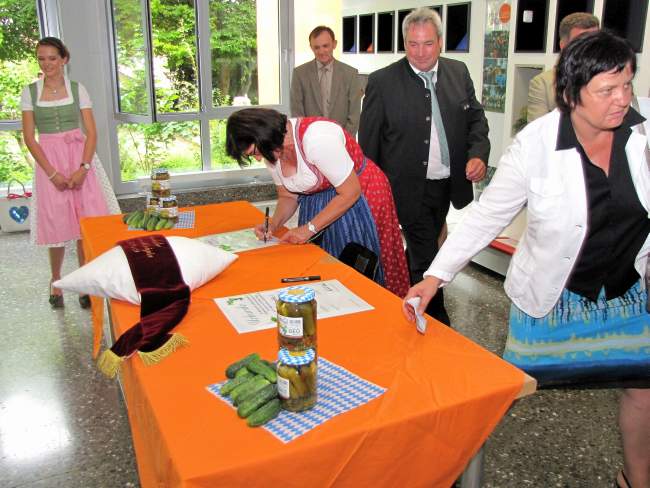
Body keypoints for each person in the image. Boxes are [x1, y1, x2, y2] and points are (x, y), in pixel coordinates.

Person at [403, 31, 650, 488]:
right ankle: (447, 468)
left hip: (625, 293)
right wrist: (434, 276)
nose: (622, 99)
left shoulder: (643, 129)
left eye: (627, 85)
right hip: (551, 298)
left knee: (643, 389)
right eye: (607, 90)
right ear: (571, 94)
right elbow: (486, 217)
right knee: (509, 391)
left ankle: (635, 479)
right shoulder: (536, 145)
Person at [359, 7, 489, 325]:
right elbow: (369, 141)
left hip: (445, 184)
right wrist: (372, 192)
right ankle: (437, 321)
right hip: (404, 186)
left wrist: (478, 154)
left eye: (428, 44)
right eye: (413, 44)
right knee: (426, 253)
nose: (420, 52)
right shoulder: (382, 81)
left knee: (423, 246)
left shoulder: (458, 72)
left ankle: (399, 296)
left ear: (440, 42)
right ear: (405, 43)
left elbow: (476, 120)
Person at [225, 108, 410, 298]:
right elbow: (288, 196)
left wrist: (309, 228)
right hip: (325, 203)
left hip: (361, 197)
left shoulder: (317, 138)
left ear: (264, 135)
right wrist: (273, 224)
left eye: (255, 152)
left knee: (363, 262)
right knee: (327, 269)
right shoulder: (271, 152)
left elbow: (350, 192)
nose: (258, 158)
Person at [21, 37, 120, 309]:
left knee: (84, 224)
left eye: (52, 58)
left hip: (79, 157)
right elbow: (30, 138)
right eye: (41, 58)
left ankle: (83, 281)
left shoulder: (78, 89)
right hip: (49, 162)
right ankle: (56, 280)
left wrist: (84, 168)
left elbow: (91, 133)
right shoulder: (30, 92)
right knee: (56, 224)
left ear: (64, 59)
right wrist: (52, 174)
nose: (47, 64)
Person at [527, 12, 599, 123]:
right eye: (581, 42)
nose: (589, 48)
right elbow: (537, 129)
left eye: (595, 42)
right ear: (564, 46)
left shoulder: (611, 78)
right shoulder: (543, 83)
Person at [290, 26, 362, 135]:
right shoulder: (299, 74)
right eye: (316, 47)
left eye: (325, 46)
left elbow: (354, 114)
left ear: (334, 44)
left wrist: (344, 139)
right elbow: (297, 112)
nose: (321, 51)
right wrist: (305, 138)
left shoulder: (350, 74)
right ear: (311, 47)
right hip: (310, 139)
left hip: (342, 139)